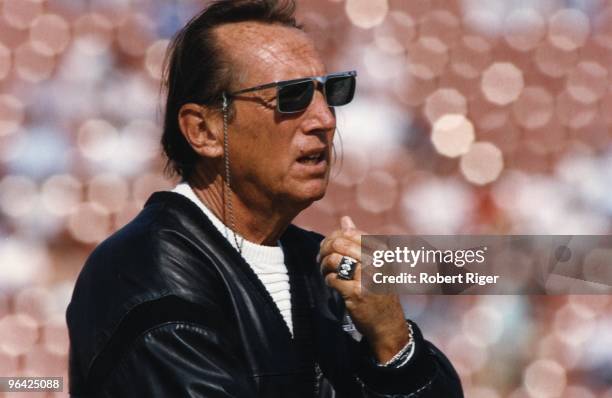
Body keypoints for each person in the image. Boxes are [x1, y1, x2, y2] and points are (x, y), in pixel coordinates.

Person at [66, 0, 463, 397]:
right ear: (202, 130)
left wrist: (395, 343)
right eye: (291, 96)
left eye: (330, 91)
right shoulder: (145, 270)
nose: (325, 120)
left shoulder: (324, 271)